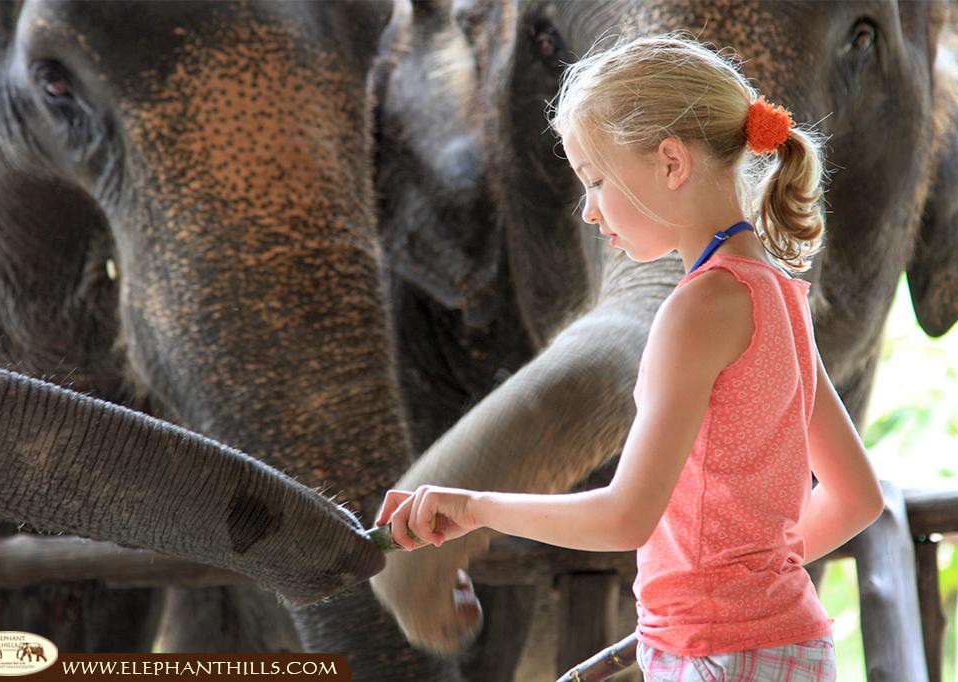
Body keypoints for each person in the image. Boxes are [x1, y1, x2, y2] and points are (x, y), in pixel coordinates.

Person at [373, 33, 884, 681]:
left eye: (595, 180)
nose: (588, 210)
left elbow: (626, 516)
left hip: (720, 658)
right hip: (786, 646)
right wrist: (739, 587)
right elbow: (856, 497)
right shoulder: (779, 293)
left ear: (671, 163)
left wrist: (474, 508)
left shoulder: (697, 309)